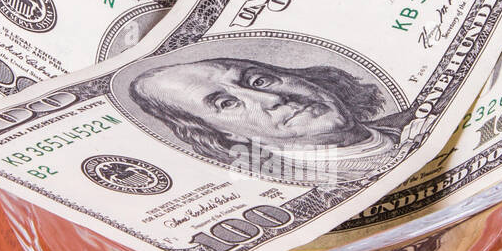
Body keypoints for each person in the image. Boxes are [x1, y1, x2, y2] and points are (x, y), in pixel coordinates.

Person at [129, 56, 405, 183]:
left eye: (259, 80)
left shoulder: (425, 120)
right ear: (224, 133)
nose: (272, 99)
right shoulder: (303, 188)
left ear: (302, 76)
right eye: (228, 103)